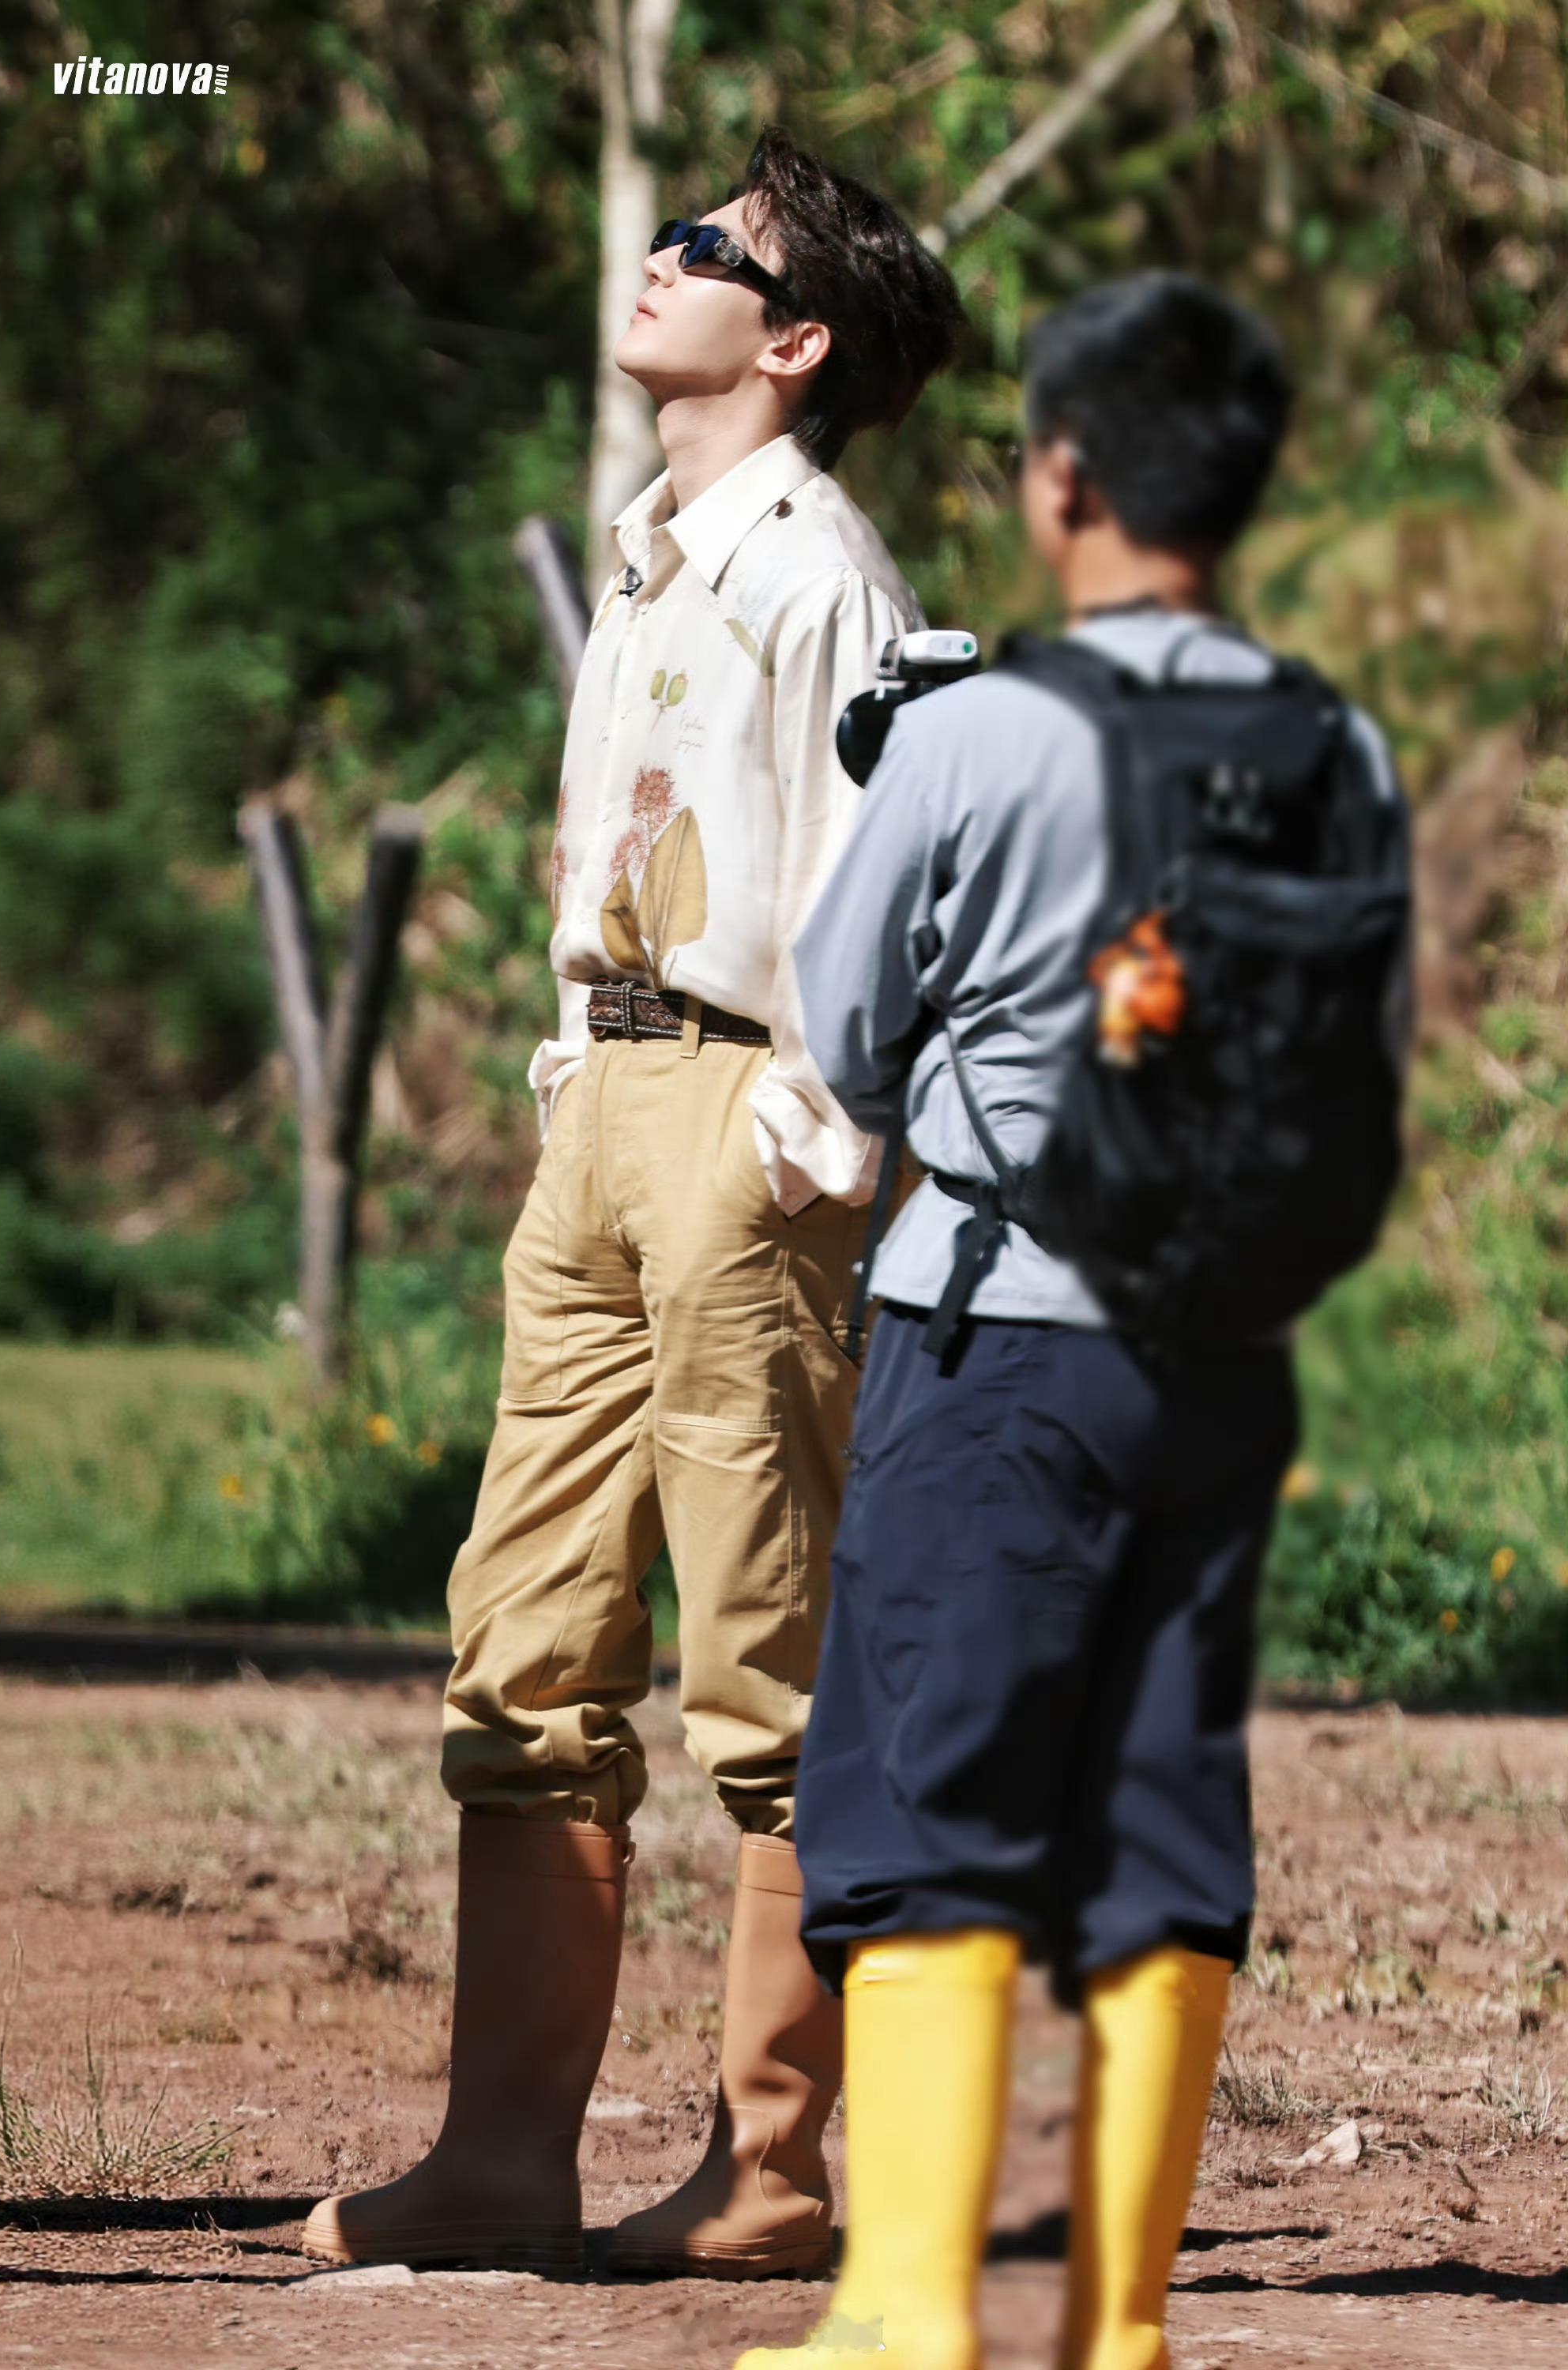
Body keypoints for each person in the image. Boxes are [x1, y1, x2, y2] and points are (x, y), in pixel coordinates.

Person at [301, 128, 961, 2279]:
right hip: (605, 1113)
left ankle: (771, 2172)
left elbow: (883, 879)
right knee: (524, 1645)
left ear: (792, 341)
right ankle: (505, 2157)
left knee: (763, 1661)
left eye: (711, 249)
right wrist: (580, 1078)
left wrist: (818, 1135)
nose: (661, 260)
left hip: (746, 1128)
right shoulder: (660, 557)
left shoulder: (821, 566)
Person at [734, 273, 1409, 2370]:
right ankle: (1119, 2331)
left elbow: (843, 1030)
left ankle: (912, 2317)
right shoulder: (1335, 741)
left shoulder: (988, 728)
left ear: (1059, 483)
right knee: (1160, 1812)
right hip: (1219, 1361)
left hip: (995, 1336)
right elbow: (1363, 1044)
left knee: (924, 1796)